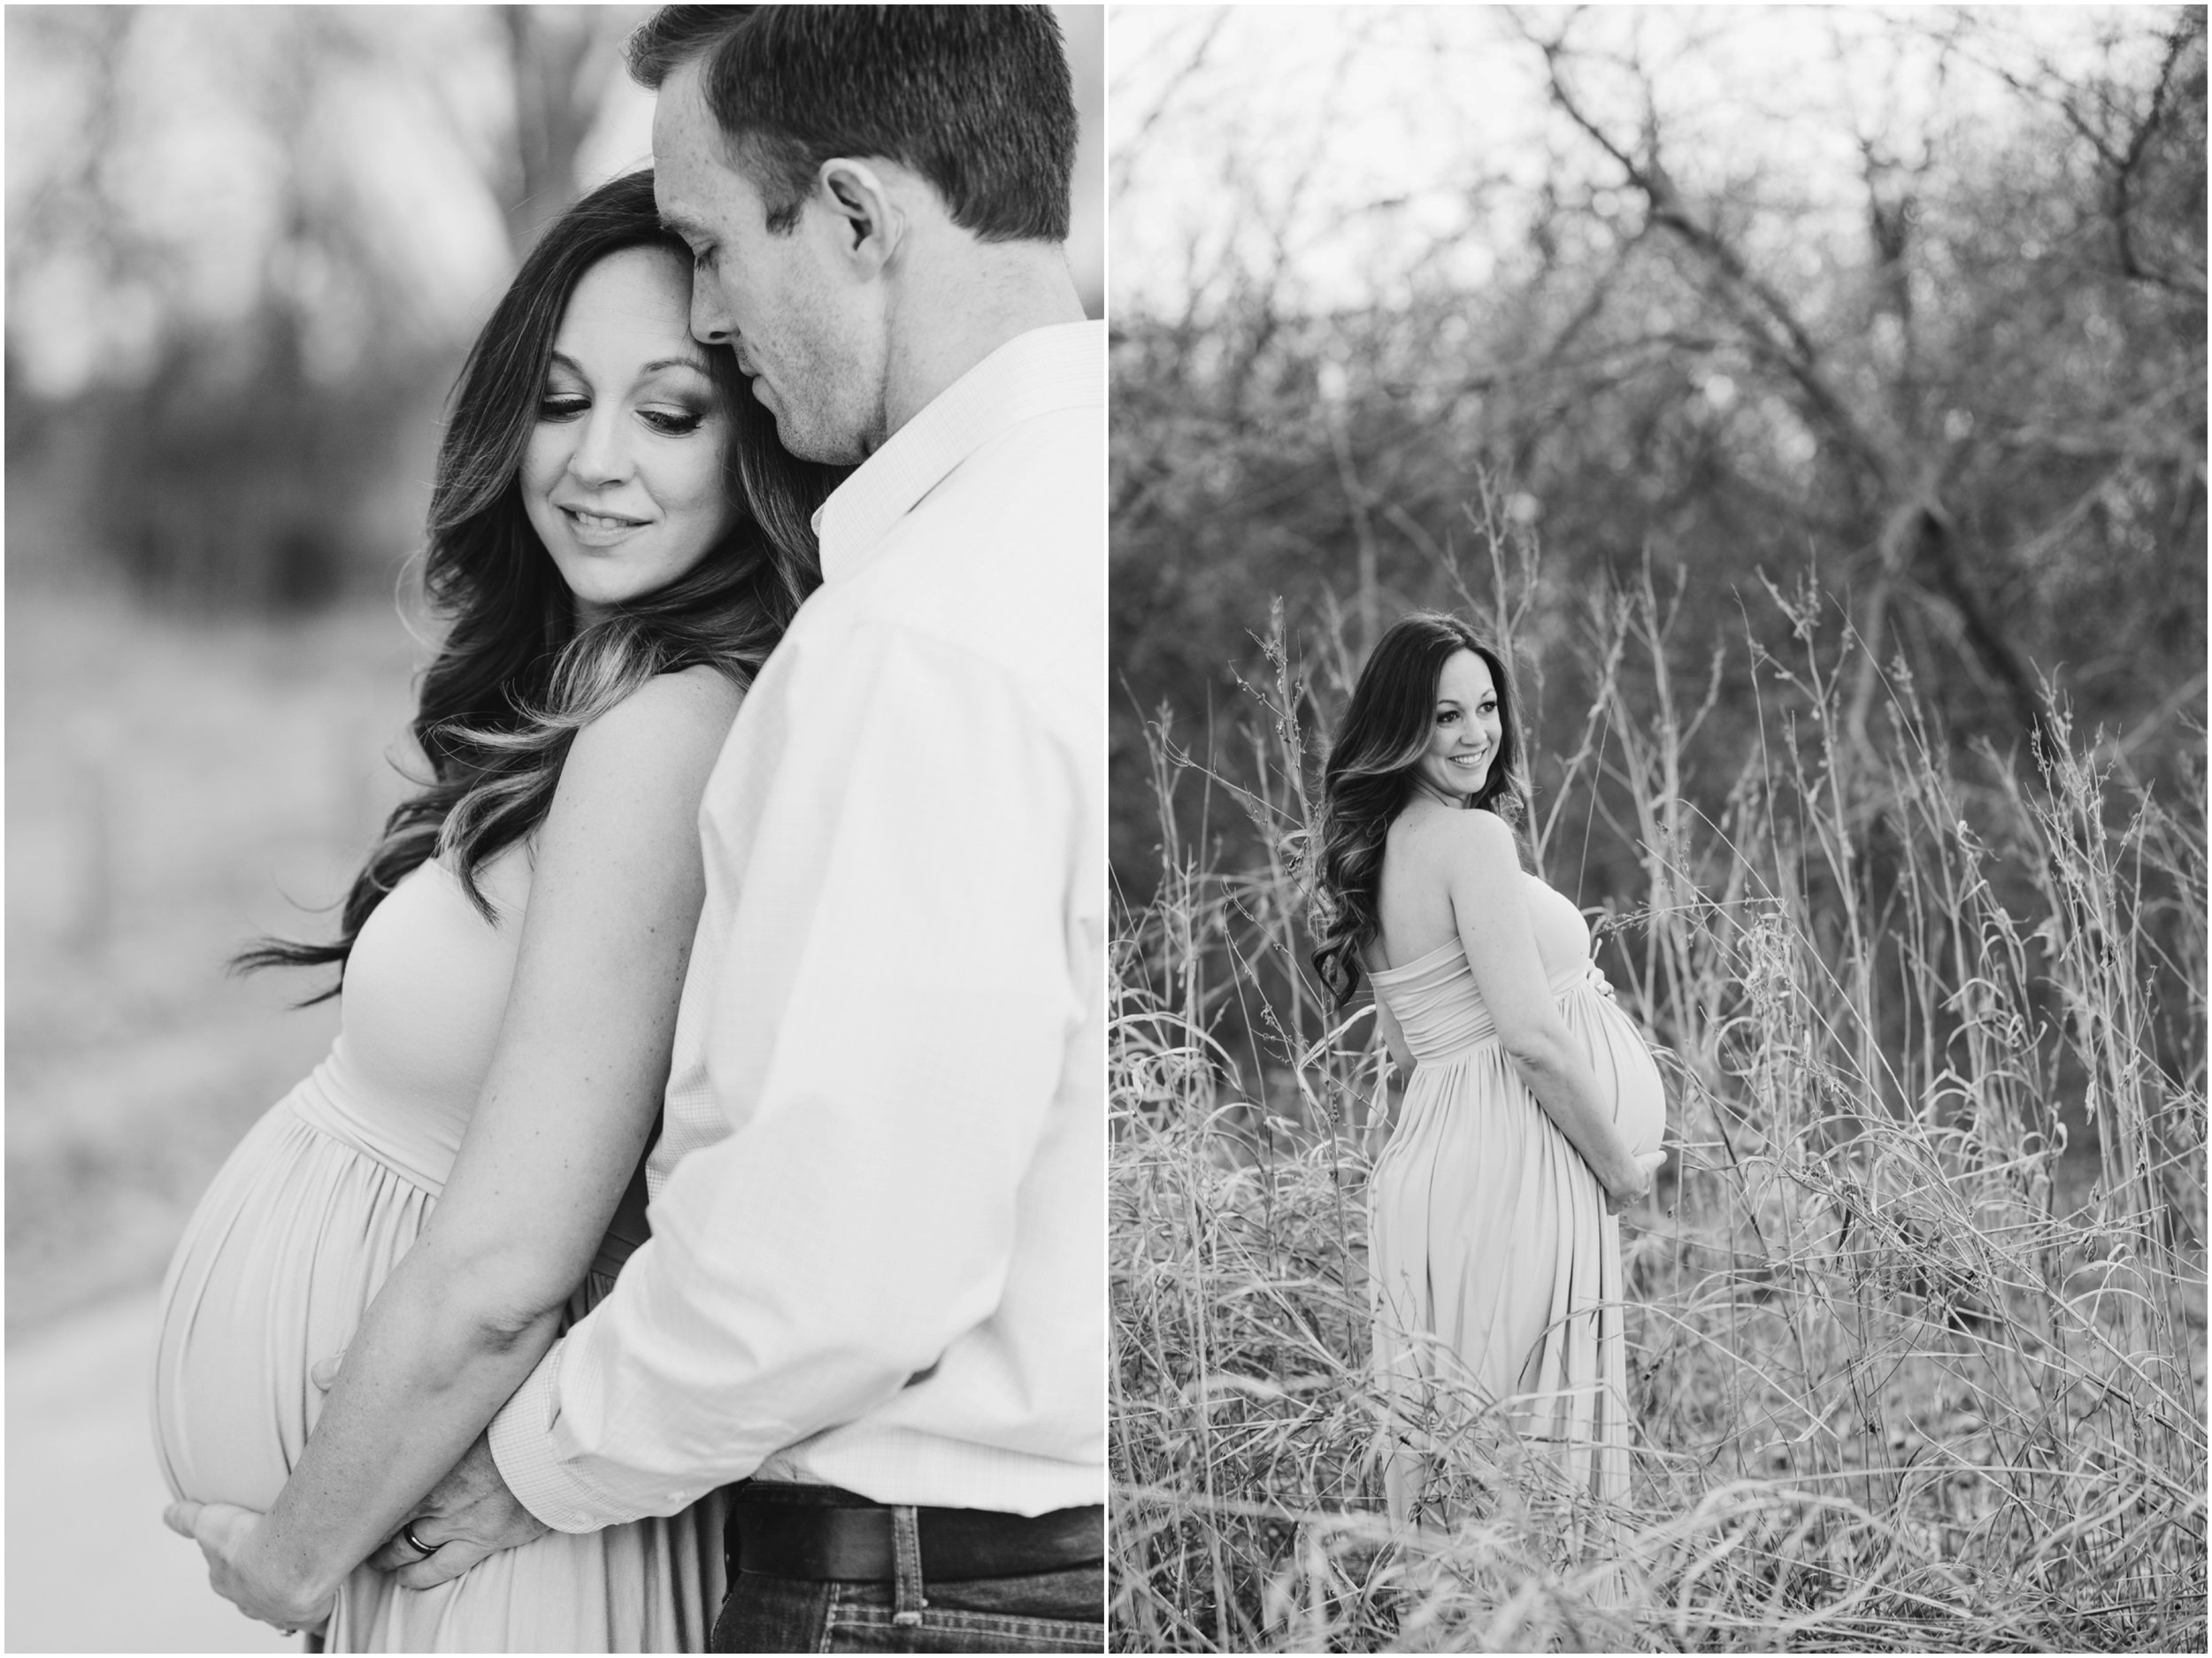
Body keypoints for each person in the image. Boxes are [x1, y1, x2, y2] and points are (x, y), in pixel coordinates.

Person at [170, 6, 1109, 1653]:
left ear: (857, 215)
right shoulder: (1027, 543)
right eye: (561, 399)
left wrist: (484, 1482)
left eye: (710, 251)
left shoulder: (901, 641)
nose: (717, 308)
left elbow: (823, 1256)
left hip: (859, 1574)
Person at [155, 166, 839, 1649]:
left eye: (668, 414)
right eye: (558, 398)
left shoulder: (671, 731)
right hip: (429, 1541)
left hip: (473, 1552)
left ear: (759, 446)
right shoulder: (591, 698)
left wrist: (294, 1548)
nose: (595, 461)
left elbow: (503, 1274)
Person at [1308, 612, 1668, 1530]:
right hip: (1520, 1167)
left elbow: (1406, 1049)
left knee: (1463, 1470)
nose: (1476, 733)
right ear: (1401, 728)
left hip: (1435, 1172)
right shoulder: (1469, 842)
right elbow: (1531, 1039)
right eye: (1444, 716)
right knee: (1536, 1474)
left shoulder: (1378, 851)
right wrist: (1618, 1168)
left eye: (1486, 707)